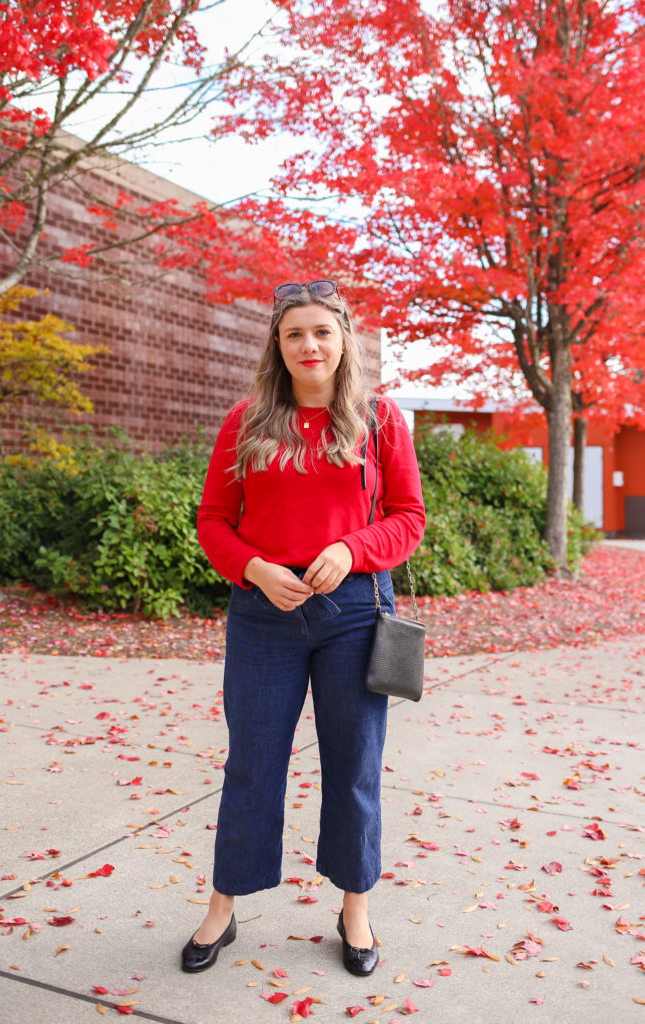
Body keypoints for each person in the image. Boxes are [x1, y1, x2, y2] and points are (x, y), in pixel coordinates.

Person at [183, 279, 425, 976]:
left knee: (353, 767)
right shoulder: (247, 422)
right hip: (263, 616)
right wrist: (254, 569)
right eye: (294, 333)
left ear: (344, 338)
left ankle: (355, 909)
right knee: (252, 765)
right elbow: (212, 521)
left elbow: (408, 517)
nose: (308, 344)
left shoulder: (381, 420)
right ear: (277, 345)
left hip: (353, 613)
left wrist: (351, 548)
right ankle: (223, 908)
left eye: (321, 331)